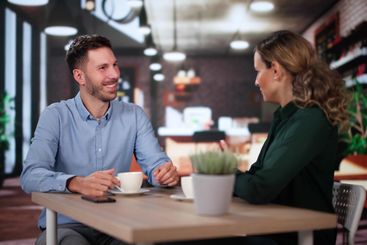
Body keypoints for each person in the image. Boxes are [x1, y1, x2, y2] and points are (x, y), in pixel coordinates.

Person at [21, 34, 179, 245]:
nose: (114, 74)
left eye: (114, 65)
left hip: (118, 223)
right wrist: (76, 182)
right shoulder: (55, 116)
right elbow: (30, 176)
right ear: (80, 76)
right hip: (67, 225)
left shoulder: (134, 115)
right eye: (103, 68)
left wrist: (164, 173)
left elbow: (156, 163)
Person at [233, 30, 350, 244]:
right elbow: (257, 174)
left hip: (302, 236)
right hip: (277, 227)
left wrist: (224, 175)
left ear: (276, 70)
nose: (256, 81)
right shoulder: (284, 116)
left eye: (258, 71)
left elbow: (259, 188)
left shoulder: (311, 119)